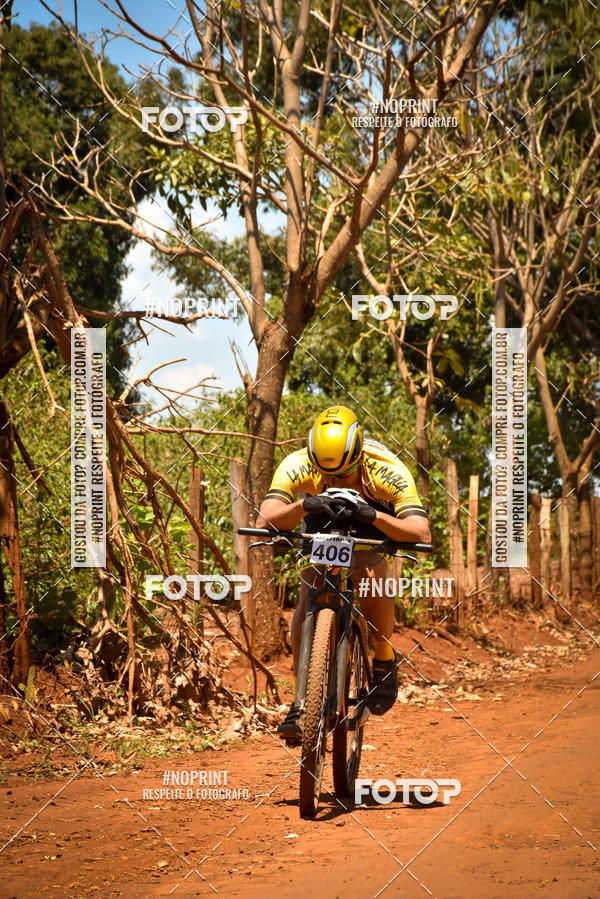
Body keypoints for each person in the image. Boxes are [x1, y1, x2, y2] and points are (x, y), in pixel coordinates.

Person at [256, 405, 431, 743]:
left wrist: (373, 516)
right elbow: (267, 519)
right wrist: (304, 505)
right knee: (309, 595)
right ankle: (301, 701)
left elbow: (420, 532)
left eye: (342, 475)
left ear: (359, 457)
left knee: (370, 575)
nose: (334, 481)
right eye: (327, 475)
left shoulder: (386, 470)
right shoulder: (298, 465)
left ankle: (383, 656)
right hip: (321, 512)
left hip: (371, 511)